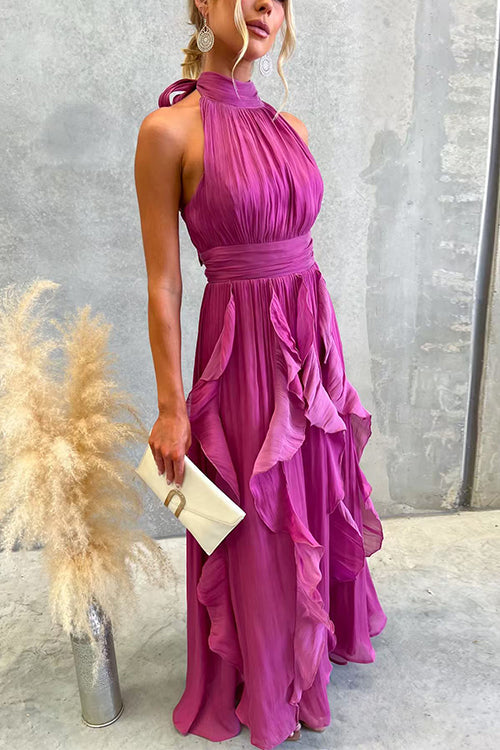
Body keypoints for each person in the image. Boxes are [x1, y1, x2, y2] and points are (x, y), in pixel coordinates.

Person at [134, 1, 387, 748]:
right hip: (240, 351)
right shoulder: (168, 131)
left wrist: (323, 360)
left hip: (309, 341)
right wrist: (171, 406)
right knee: (260, 512)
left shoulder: (290, 128)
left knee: (311, 494)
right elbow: (164, 284)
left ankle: (306, 649)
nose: (264, 5)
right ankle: (269, 678)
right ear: (201, 6)